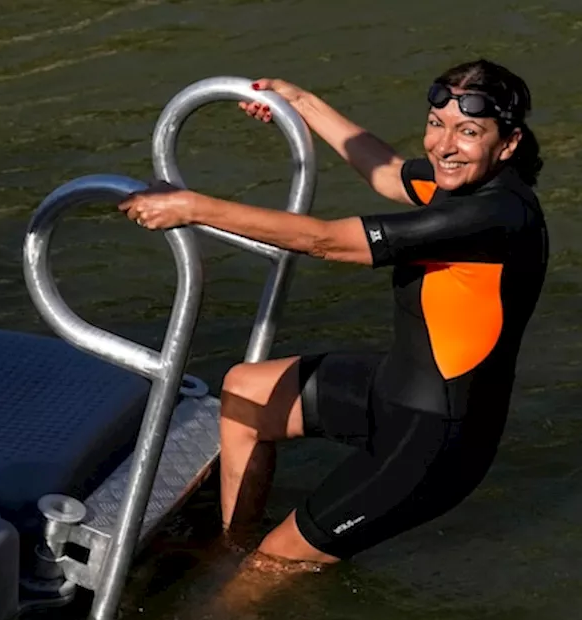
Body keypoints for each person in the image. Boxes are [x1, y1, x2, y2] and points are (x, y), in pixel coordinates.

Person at [119, 58, 548, 592]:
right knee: (245, 392)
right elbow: (388, 171)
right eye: (437, 125)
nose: (443, 146)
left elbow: (327, 240)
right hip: (394, 390)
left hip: (436, 444)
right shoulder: (456, 184)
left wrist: (194, 207)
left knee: (271, 571)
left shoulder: (494, 216)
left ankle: (241, 617)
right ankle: (230, 547)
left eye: (468, 132)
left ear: (507, 144)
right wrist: (299, 103)